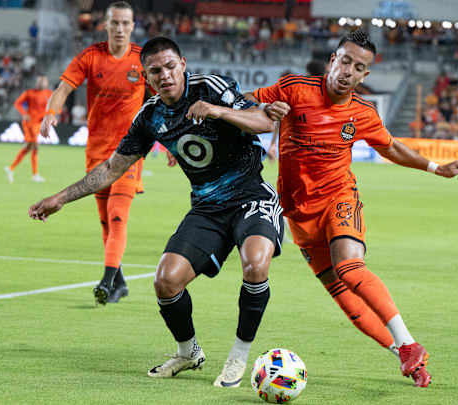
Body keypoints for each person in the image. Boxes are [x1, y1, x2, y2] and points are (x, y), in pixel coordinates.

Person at [29, 37, 284, 389]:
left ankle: (239, 355)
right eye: (155, 71)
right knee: (165, 280)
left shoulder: (210, 87)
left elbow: (263, 121)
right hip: (207, 208)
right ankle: (187, 352)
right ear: (146, 77)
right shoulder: (149, 116)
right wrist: (61, 197)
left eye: (169, 66)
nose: (164, 75)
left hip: (250, 195)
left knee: (256, 264)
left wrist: (217, 111)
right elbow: (112, 169)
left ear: (182, 64)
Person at [246, 30, 458, 388]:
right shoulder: (294, 88)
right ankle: (406, 356)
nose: (348, 71)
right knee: (348, 303)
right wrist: (248, 110)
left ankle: (409, 342)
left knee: (350, 268)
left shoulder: (362, 112)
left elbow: (390, 147)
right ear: (333, 60)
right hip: (299, 214)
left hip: (339, 198)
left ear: (365, 76)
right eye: (345, 61)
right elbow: (242, 101)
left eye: (359, 67)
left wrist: (435, 168)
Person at [40, 1, 148, 305]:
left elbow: (165, 99)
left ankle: (106, 281)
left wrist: (169, 143)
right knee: (104, 221)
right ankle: (120, 282)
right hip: (96, 151)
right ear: (106, 24)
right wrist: (51, 111)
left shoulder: (142, 60)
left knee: (117, 217)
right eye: (115, 23)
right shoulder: (91, 56)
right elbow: (63, 87)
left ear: (133, 26)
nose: (120, 29)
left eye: (126, 23)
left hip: (129, 152)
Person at [4, 74, 51, 183]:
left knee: (28, 147)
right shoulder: (30, 93)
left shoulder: (49, 94)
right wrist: (24, 113)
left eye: (43, 81)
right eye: (40, 81)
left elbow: (55, 106)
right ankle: (35, 174)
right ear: (37, 82)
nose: (41, 83)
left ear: (47, 82)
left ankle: (10, 168)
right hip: (29, 123)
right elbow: (17, 103)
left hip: (39, 123)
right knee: (35, 147)